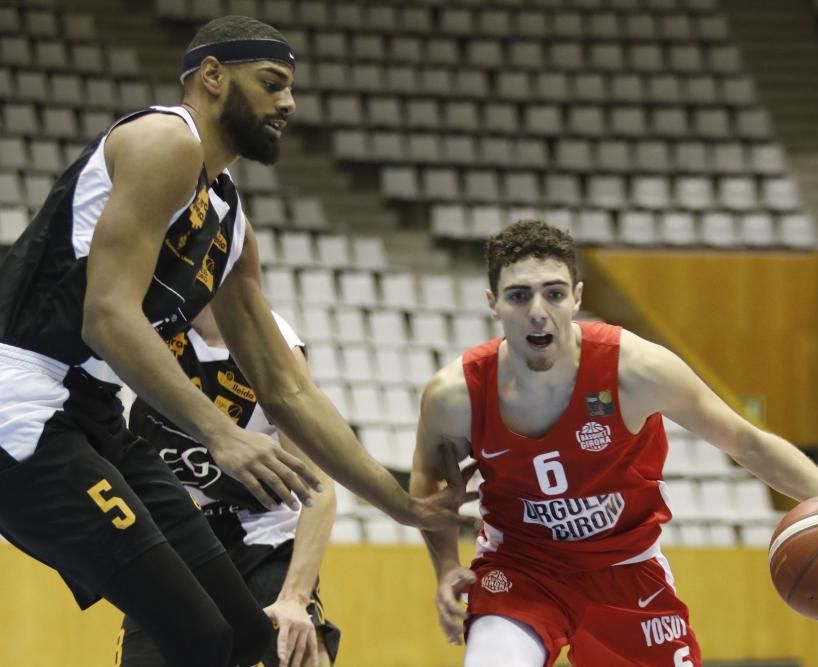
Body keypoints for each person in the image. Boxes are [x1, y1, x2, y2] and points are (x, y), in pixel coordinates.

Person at [0, 15, 470, 667]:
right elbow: (106, 318)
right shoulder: (165, 139)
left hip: (92, 416)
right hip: (23, 407)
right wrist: (219, 432)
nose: (289, 102)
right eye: (272, 82)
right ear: (213, 78)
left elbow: (288, 390)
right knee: (200, 637)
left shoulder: (229, 220)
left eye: (292, 88)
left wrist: (404, 506)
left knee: (248, 637)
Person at [411, 220, 818, 667]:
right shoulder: (456, 396)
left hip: (626, 571)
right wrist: (447, 567)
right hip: (519, 570)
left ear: (577, 297)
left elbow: (748, 443)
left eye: (554, 294)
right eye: (519, 296)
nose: (538, 312)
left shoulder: (636, 370)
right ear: (492, 302)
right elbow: (428, 480)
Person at [118, 307, 340, 667]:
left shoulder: (272, 344)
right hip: (174, 530)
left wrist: (296, 597)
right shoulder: (144, 315)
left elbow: (319, 487)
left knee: (302, 650)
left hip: (258, 531)